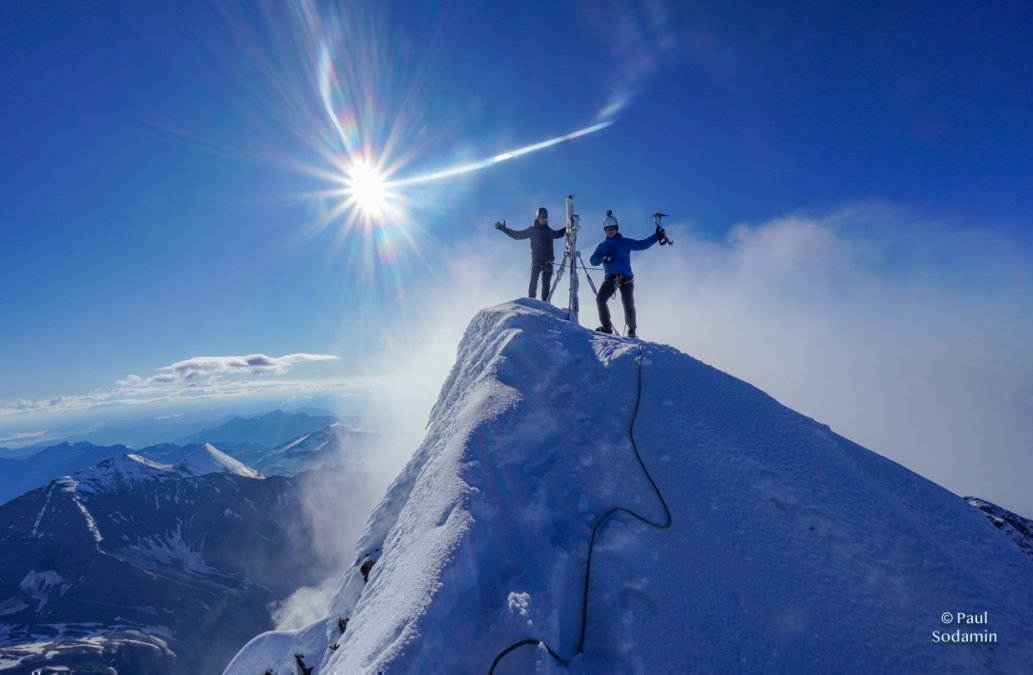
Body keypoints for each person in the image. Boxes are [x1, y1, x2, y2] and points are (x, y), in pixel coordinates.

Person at [589, 210, 665, 337]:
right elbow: (592, 260)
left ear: (616, 228)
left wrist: (657, 236)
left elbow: (642, 245)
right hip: (611, 278)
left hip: (626, 278)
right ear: (604, 230)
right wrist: (602, 258)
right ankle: (607, 328)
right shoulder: (602, 246)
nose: (610, 231)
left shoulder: (625, 242)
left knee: (627, 301)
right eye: (607, 229)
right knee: (600, 299)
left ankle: (632, 330)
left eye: (612, 228)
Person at [495, 207, 566, 301]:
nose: (543, 219)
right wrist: (505, 229)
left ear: (547, 218)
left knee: (546, 284)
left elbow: (559, 233)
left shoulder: (549, 231)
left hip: (548, 262)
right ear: (537, 218)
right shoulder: (532, 230)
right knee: (533, 281)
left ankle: (545, 304)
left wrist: (568, 227)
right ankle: (531, 302)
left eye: (544, 217)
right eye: (541, 217)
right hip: (537, 261)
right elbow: (517, 235)